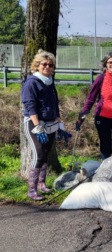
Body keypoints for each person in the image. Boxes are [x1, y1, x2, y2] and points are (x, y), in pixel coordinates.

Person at [22, 50, 61, 200]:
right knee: (38, 155)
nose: (47, 67)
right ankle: (31, 189)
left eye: (50, 65)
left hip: (51, 123)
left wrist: (58, 120)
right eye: (44, 64)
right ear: (37, 65)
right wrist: (38, 126)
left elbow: (54, 102)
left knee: (45, 154)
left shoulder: (50, 81)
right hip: (35, 123)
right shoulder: (32, 82)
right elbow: (30, 105)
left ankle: (41, 184)